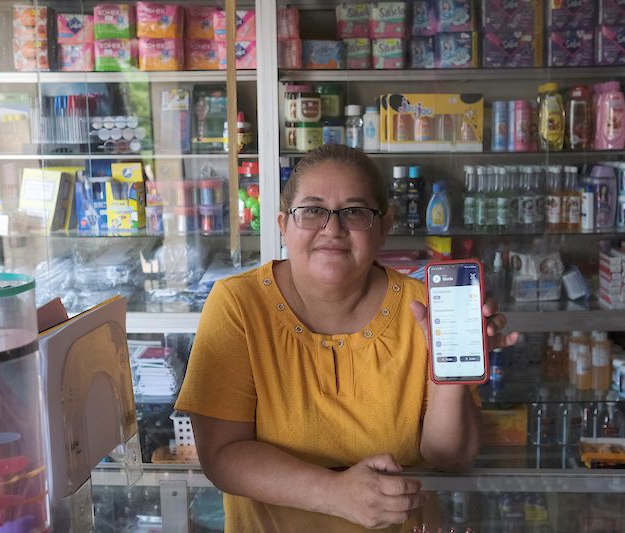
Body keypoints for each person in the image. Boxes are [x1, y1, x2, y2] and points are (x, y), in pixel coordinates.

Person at [175, 145, 518, 531]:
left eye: (355, 211)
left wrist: (451, 377)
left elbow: (450, 458)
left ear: (385, 224)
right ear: (283, 224)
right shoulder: (238, 304)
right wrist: (337, 493)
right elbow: (222, 456)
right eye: (312, 210)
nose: (332, 228)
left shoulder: (423, 306)